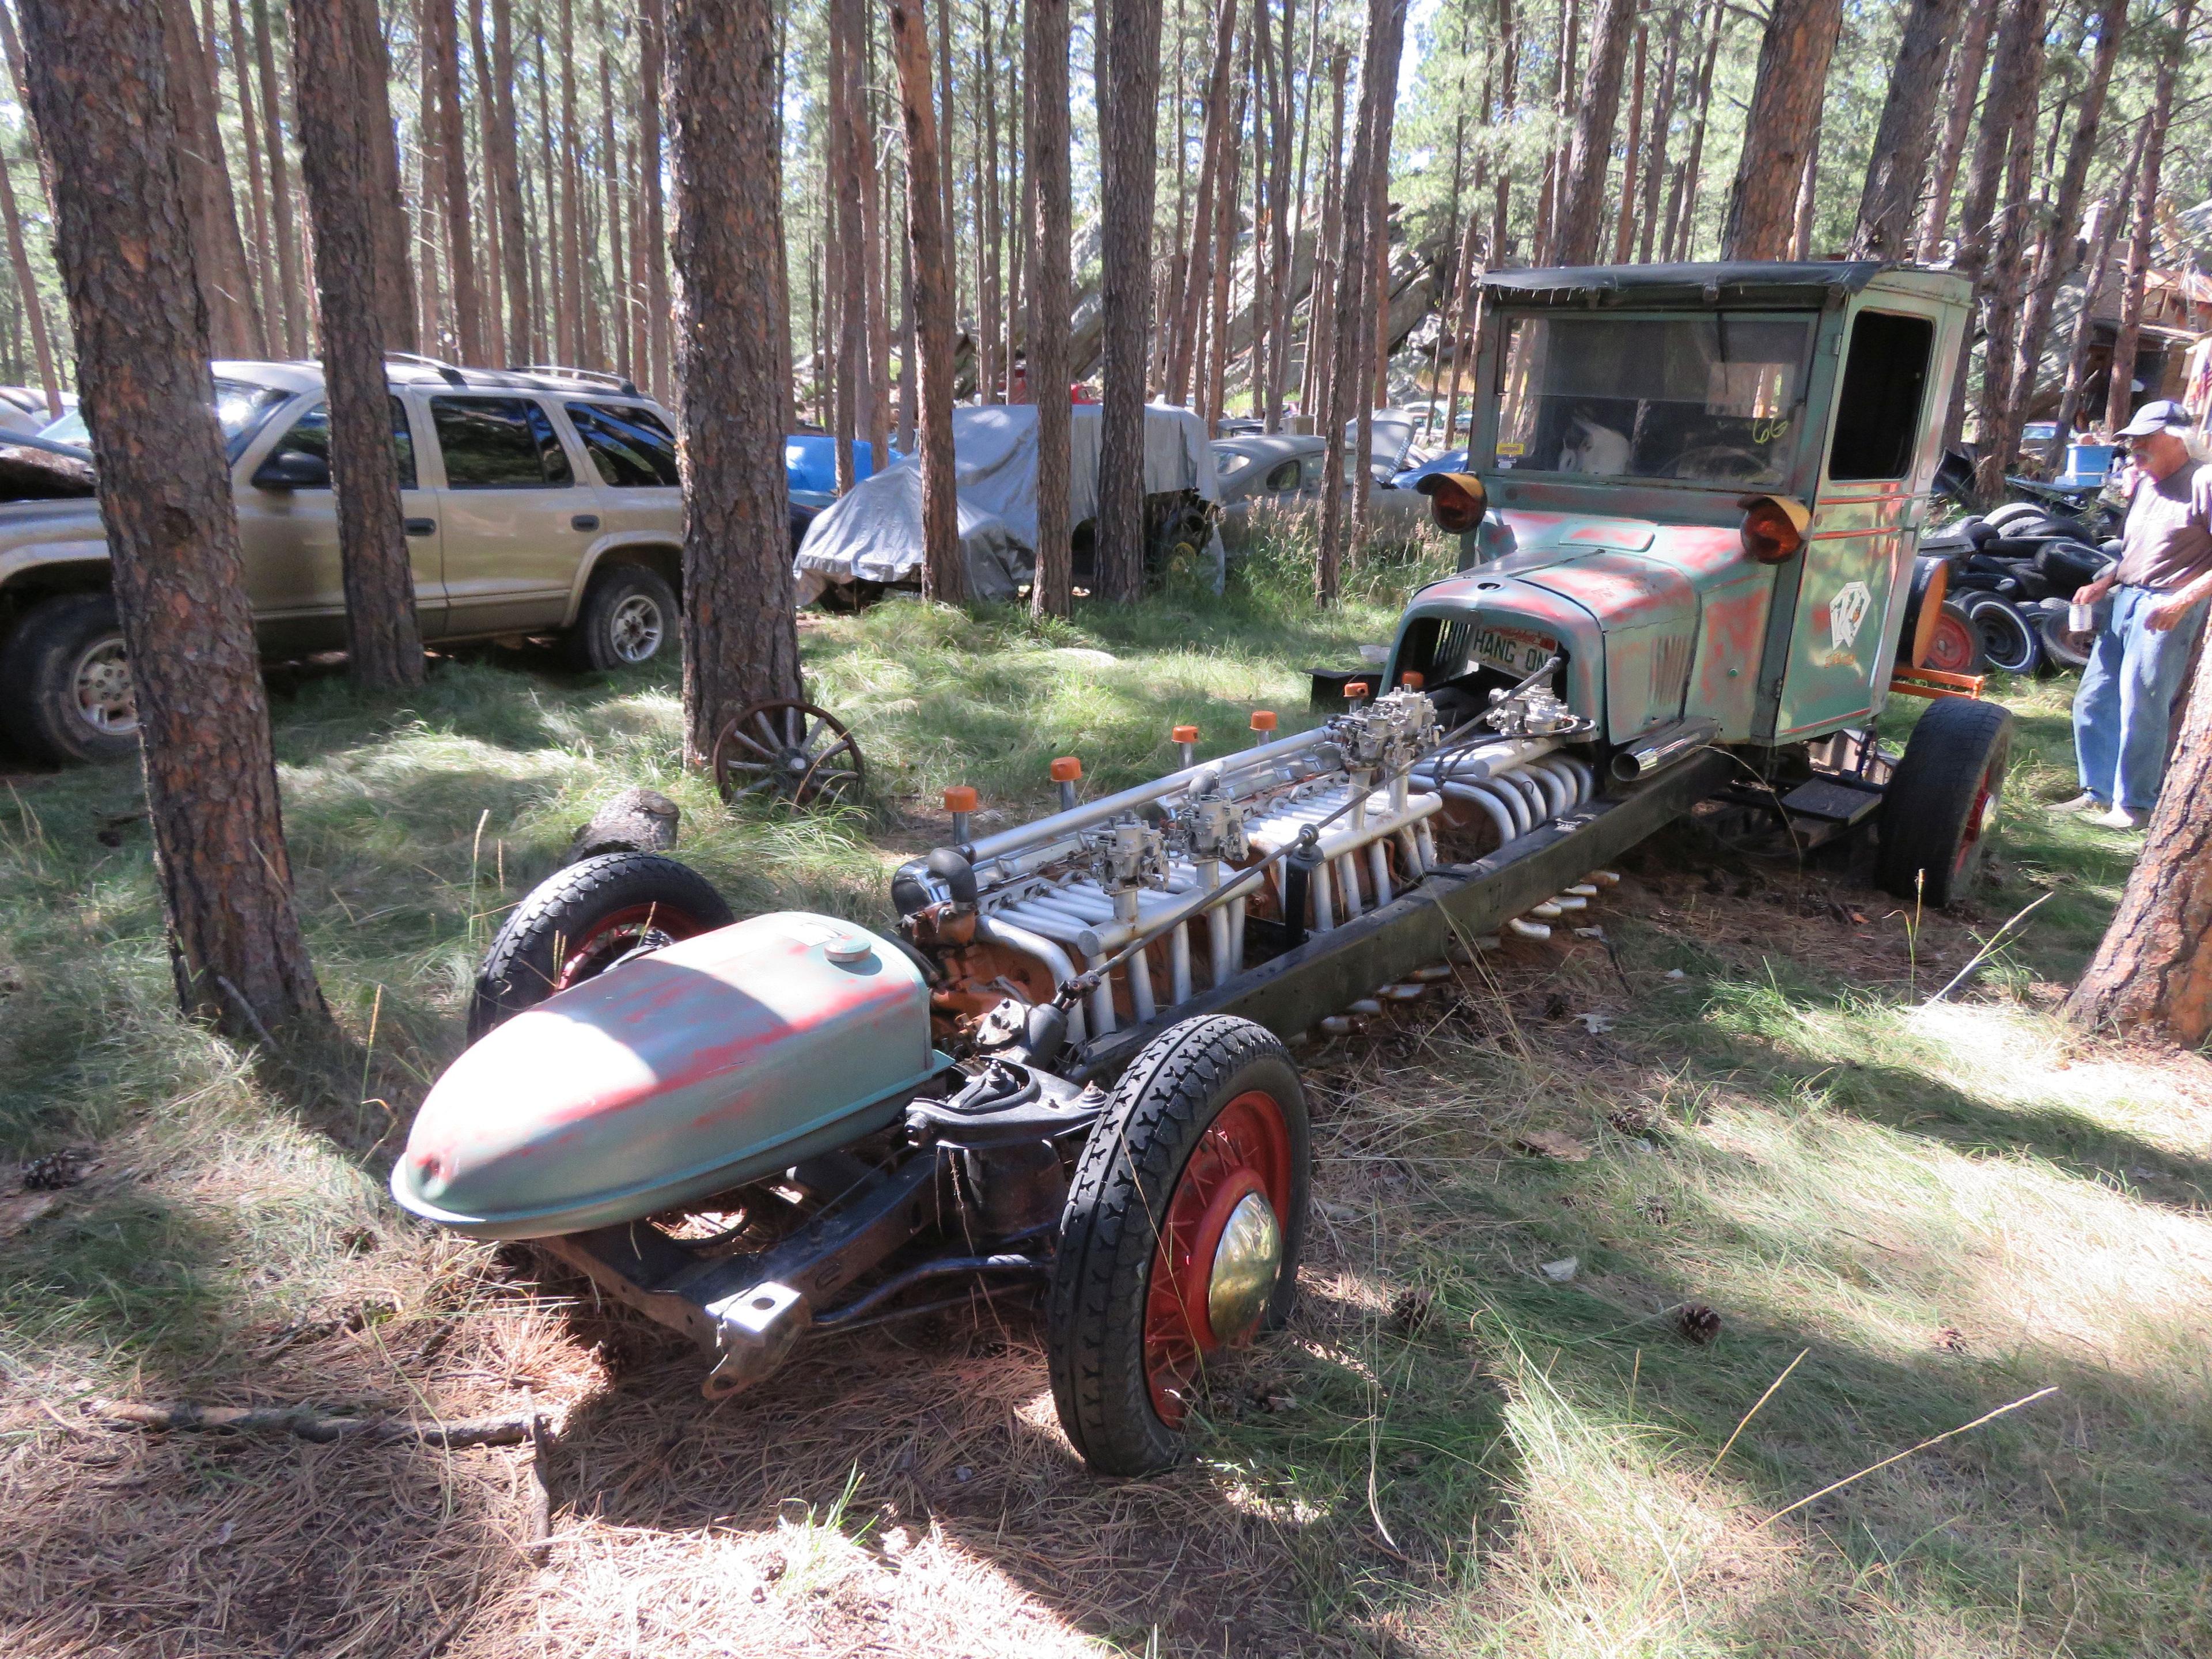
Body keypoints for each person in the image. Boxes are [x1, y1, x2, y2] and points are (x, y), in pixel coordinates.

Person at [2056, 399, 2212, 828]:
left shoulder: (2204, 480)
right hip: (2126, 599)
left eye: (2145, 437)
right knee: (2094, 698)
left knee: (2142, 705)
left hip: (2167, 606)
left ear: (2176, 437)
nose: (2135, 446)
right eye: (2132, 438)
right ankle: (2097, 793)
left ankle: (2134, 806)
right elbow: (2130, 552)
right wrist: (2102, 584)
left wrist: (2181, 602)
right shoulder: (2146, 482)